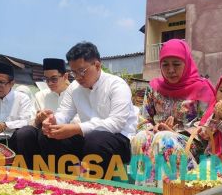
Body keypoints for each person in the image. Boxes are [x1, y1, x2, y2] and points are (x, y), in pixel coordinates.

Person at [12, 41, 137, 175]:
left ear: (97, 65)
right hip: (87, 135)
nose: (78, 77)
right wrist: (53, 121)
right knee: (48, 135)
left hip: (117, 139)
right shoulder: (74, 88)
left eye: (82, 71)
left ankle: (94, 187)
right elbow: (64, 113)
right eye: (74, 72)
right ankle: (61, 180)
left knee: (95, 140)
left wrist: (77, 128)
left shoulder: (117, 85)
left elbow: (116, 123)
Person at [129, 39, 215, 185]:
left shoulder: (201, 88)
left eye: (176, 64)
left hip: (190, 144)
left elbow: (206, 127)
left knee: (165, 138)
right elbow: (143, 119)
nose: (170, 70)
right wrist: (153, 128)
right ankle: (145, 191)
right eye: (165, 65)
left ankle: (167, 192)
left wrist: (174, 132)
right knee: (140, 137)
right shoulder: (154, 88)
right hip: (156, 136)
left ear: (186, 63)